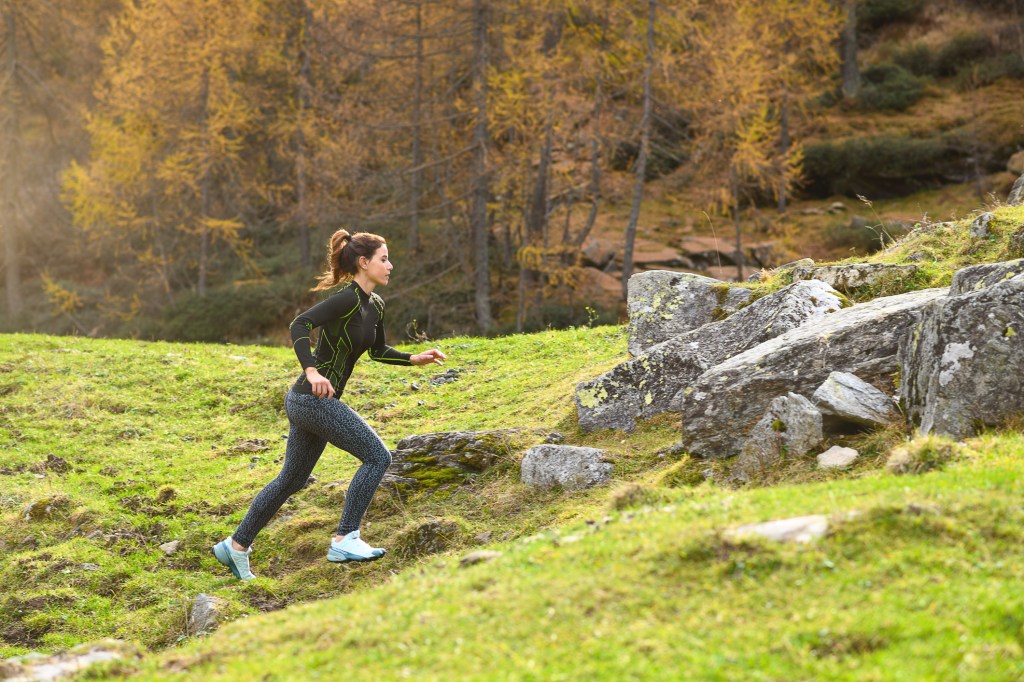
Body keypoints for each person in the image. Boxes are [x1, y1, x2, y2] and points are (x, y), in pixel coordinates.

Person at [213, 229, 446, 580]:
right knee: (378, 456)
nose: (390, 266)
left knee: (291, 479)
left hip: (311, 404)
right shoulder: (347, 299)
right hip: (310, 399)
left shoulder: (375, 305)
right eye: (384, 259)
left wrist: (414, 358)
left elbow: (378, 350)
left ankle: (236, 546)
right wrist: (311, 370)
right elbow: (300, 323)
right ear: (364, 263)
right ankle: (345, 537)